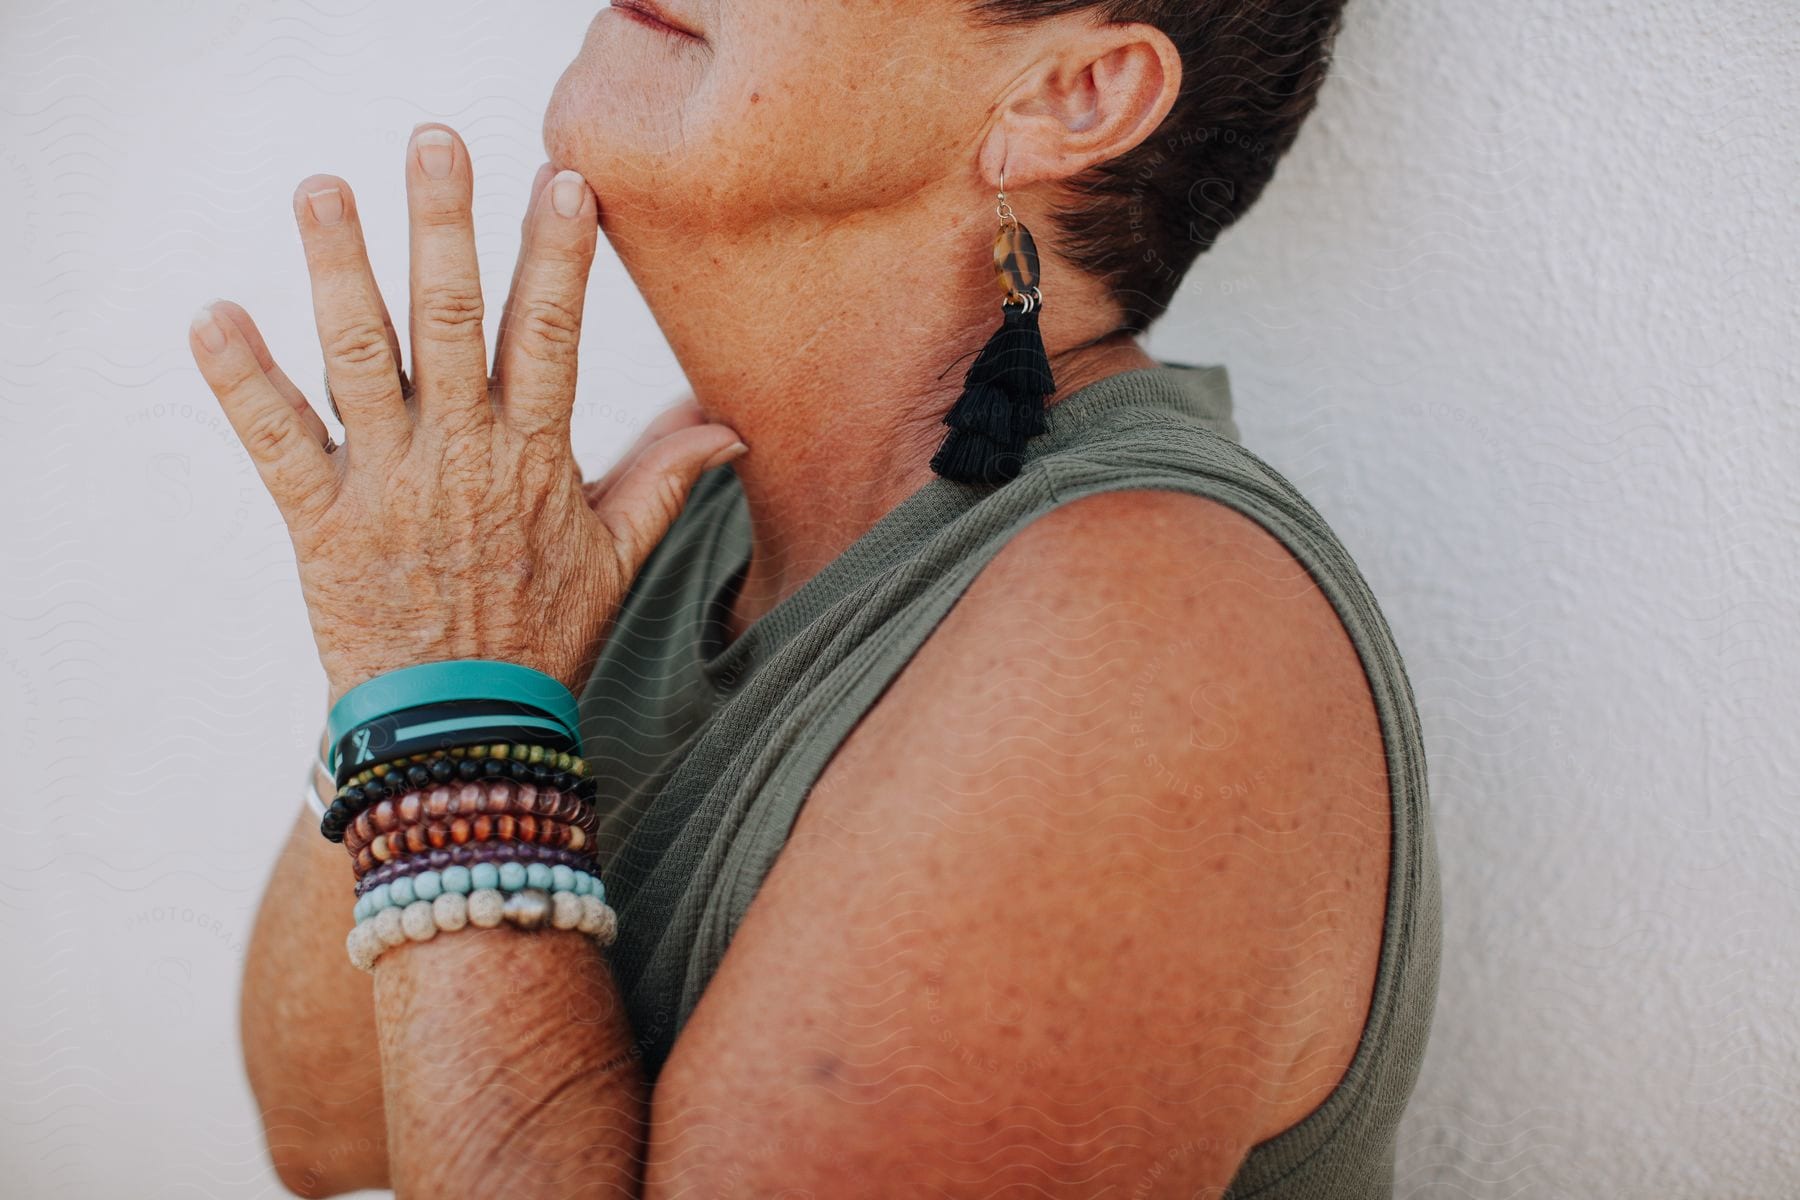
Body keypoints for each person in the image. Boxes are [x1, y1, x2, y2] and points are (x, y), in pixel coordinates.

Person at [187, 1, 1441, 1195]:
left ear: (1071, 95)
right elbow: (327, 1126)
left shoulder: (1154, 630)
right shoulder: (660, 520)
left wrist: (452, 703)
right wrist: (419, 660)